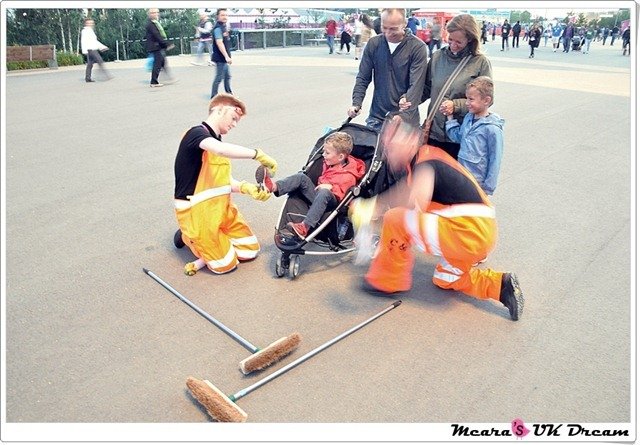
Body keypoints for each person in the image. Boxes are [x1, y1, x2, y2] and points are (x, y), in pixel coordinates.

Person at [349, 116, 524, 321]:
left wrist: (371, 209)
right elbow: (405, 193)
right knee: (445, 278)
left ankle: (386, 281)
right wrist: (373, 207)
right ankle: (501, 285)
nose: (389, 152)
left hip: (467, 231)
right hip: (475, 234)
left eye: (393, 144)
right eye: (388, 146)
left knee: (396, 219)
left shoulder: (426, 161)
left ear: (412, 141)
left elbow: (414, 202)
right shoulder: (424, 161)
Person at [173, 93, 278, 276]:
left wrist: (247, 189)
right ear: (219, 109)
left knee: (249, 251)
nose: (234, 124)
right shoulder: (196, 134)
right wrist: (257, 154)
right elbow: (221, 150)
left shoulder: (214, 142)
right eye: (233, 118)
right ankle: (187, 235)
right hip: (196, 211)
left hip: (219, 208)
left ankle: (211, 240)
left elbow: (221, 182)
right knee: (225, 264)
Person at [401, 13, 492, 160]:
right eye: (450, 39)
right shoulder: (437, 56)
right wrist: (408, 99)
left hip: (461, 135)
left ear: (470, 40)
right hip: (433, 131)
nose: (453, 45)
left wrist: (455, 105)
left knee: (454, 180)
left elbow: (488, 100)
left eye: (459, 42)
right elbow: (425, 89)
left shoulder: (480, 63)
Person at [257, 132, 365, 239]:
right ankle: (273, 186)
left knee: (324, 192)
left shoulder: (349, 175)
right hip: (318, 195)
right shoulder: (331, 162)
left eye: (327, 153)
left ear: (340, 157)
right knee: (301, 177)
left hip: (332, 203)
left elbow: (343, 197)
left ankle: (304, 227)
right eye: (323, 152)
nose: (323, 155)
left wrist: (331, 188)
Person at [347, 8, 427, 132]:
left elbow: (416, 84)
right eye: (385, 28)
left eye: (393, 28)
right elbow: (363, 77)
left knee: (402, 152)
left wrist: (405, 106)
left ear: (404, 24)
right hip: (377, 116)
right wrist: (356, 102)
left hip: (405, 119)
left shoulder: (417, 47)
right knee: (372, 150)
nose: (388, 33)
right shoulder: (374, 43)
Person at [444, 76, 504, 195]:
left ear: (486, 100)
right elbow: (459, 137)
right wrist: (450, 119)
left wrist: (487, 188)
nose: (466, 103)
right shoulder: (468, 118)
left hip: (477, 182)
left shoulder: (492, 129)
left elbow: (495, 159)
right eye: (467, 99)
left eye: (471, 99)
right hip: (462, 176)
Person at [146, 8, 175, 88]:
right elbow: (157, 36)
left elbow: (158, 35)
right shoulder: (151, 24)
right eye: (154, 13)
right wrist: (166, 44)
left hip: (157, 46)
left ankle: (167, 78)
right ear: (150, 14)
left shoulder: (154, 23)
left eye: (157, 12)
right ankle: (154, 82)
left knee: (162, 62)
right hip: (155, 46)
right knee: (158, 63)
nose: (156, 14)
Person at [210, 8, 233, 98]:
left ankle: (229, 94)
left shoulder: (224, 27)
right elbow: (219, 43)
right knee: (219, 77)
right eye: (222, 15)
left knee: (227, 76)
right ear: (217, 17)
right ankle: (214, 96)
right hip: (220, 57)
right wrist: (227, 57)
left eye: (226, 15)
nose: (225, 17)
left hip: (223, 57)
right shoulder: (218, 29)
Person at [81, 18, 112, 83]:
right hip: (91, 50)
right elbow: (83, 41)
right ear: (86, 23)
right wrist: (84, 50)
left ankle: (87, 78)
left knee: (90, 64)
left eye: (92, 23)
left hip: (92, 49)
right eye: (89, 23)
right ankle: (106, 76)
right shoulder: (85, 31)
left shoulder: (90, 31)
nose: (91, 24)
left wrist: (102, 47)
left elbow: (95, 41)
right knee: (100, 61)